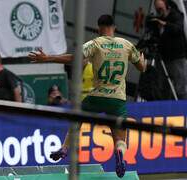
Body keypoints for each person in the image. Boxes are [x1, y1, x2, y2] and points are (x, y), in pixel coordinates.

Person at [29, 14, 146, 178]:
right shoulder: (126, 44)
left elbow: (73, 58)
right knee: (120, 138)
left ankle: (64, 148)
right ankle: (119, 154)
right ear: (115, 27)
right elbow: (141, 67)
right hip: (117, 100)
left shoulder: (95, 44)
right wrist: (143, 62)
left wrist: (48, 57)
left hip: (96, 97)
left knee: (77, 117)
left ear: (99, 28)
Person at [151, 0, 187, 99]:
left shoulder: (176, 15)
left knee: (179, 88)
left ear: (166, 5)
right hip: (163, 58)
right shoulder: (157, 20)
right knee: (163, 88)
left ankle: (182, 110)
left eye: (160, 7)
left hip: (177, 58)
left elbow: (178, 29)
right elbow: (156, 37)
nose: (159, 10)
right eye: (157, 8)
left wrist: (165, 24)